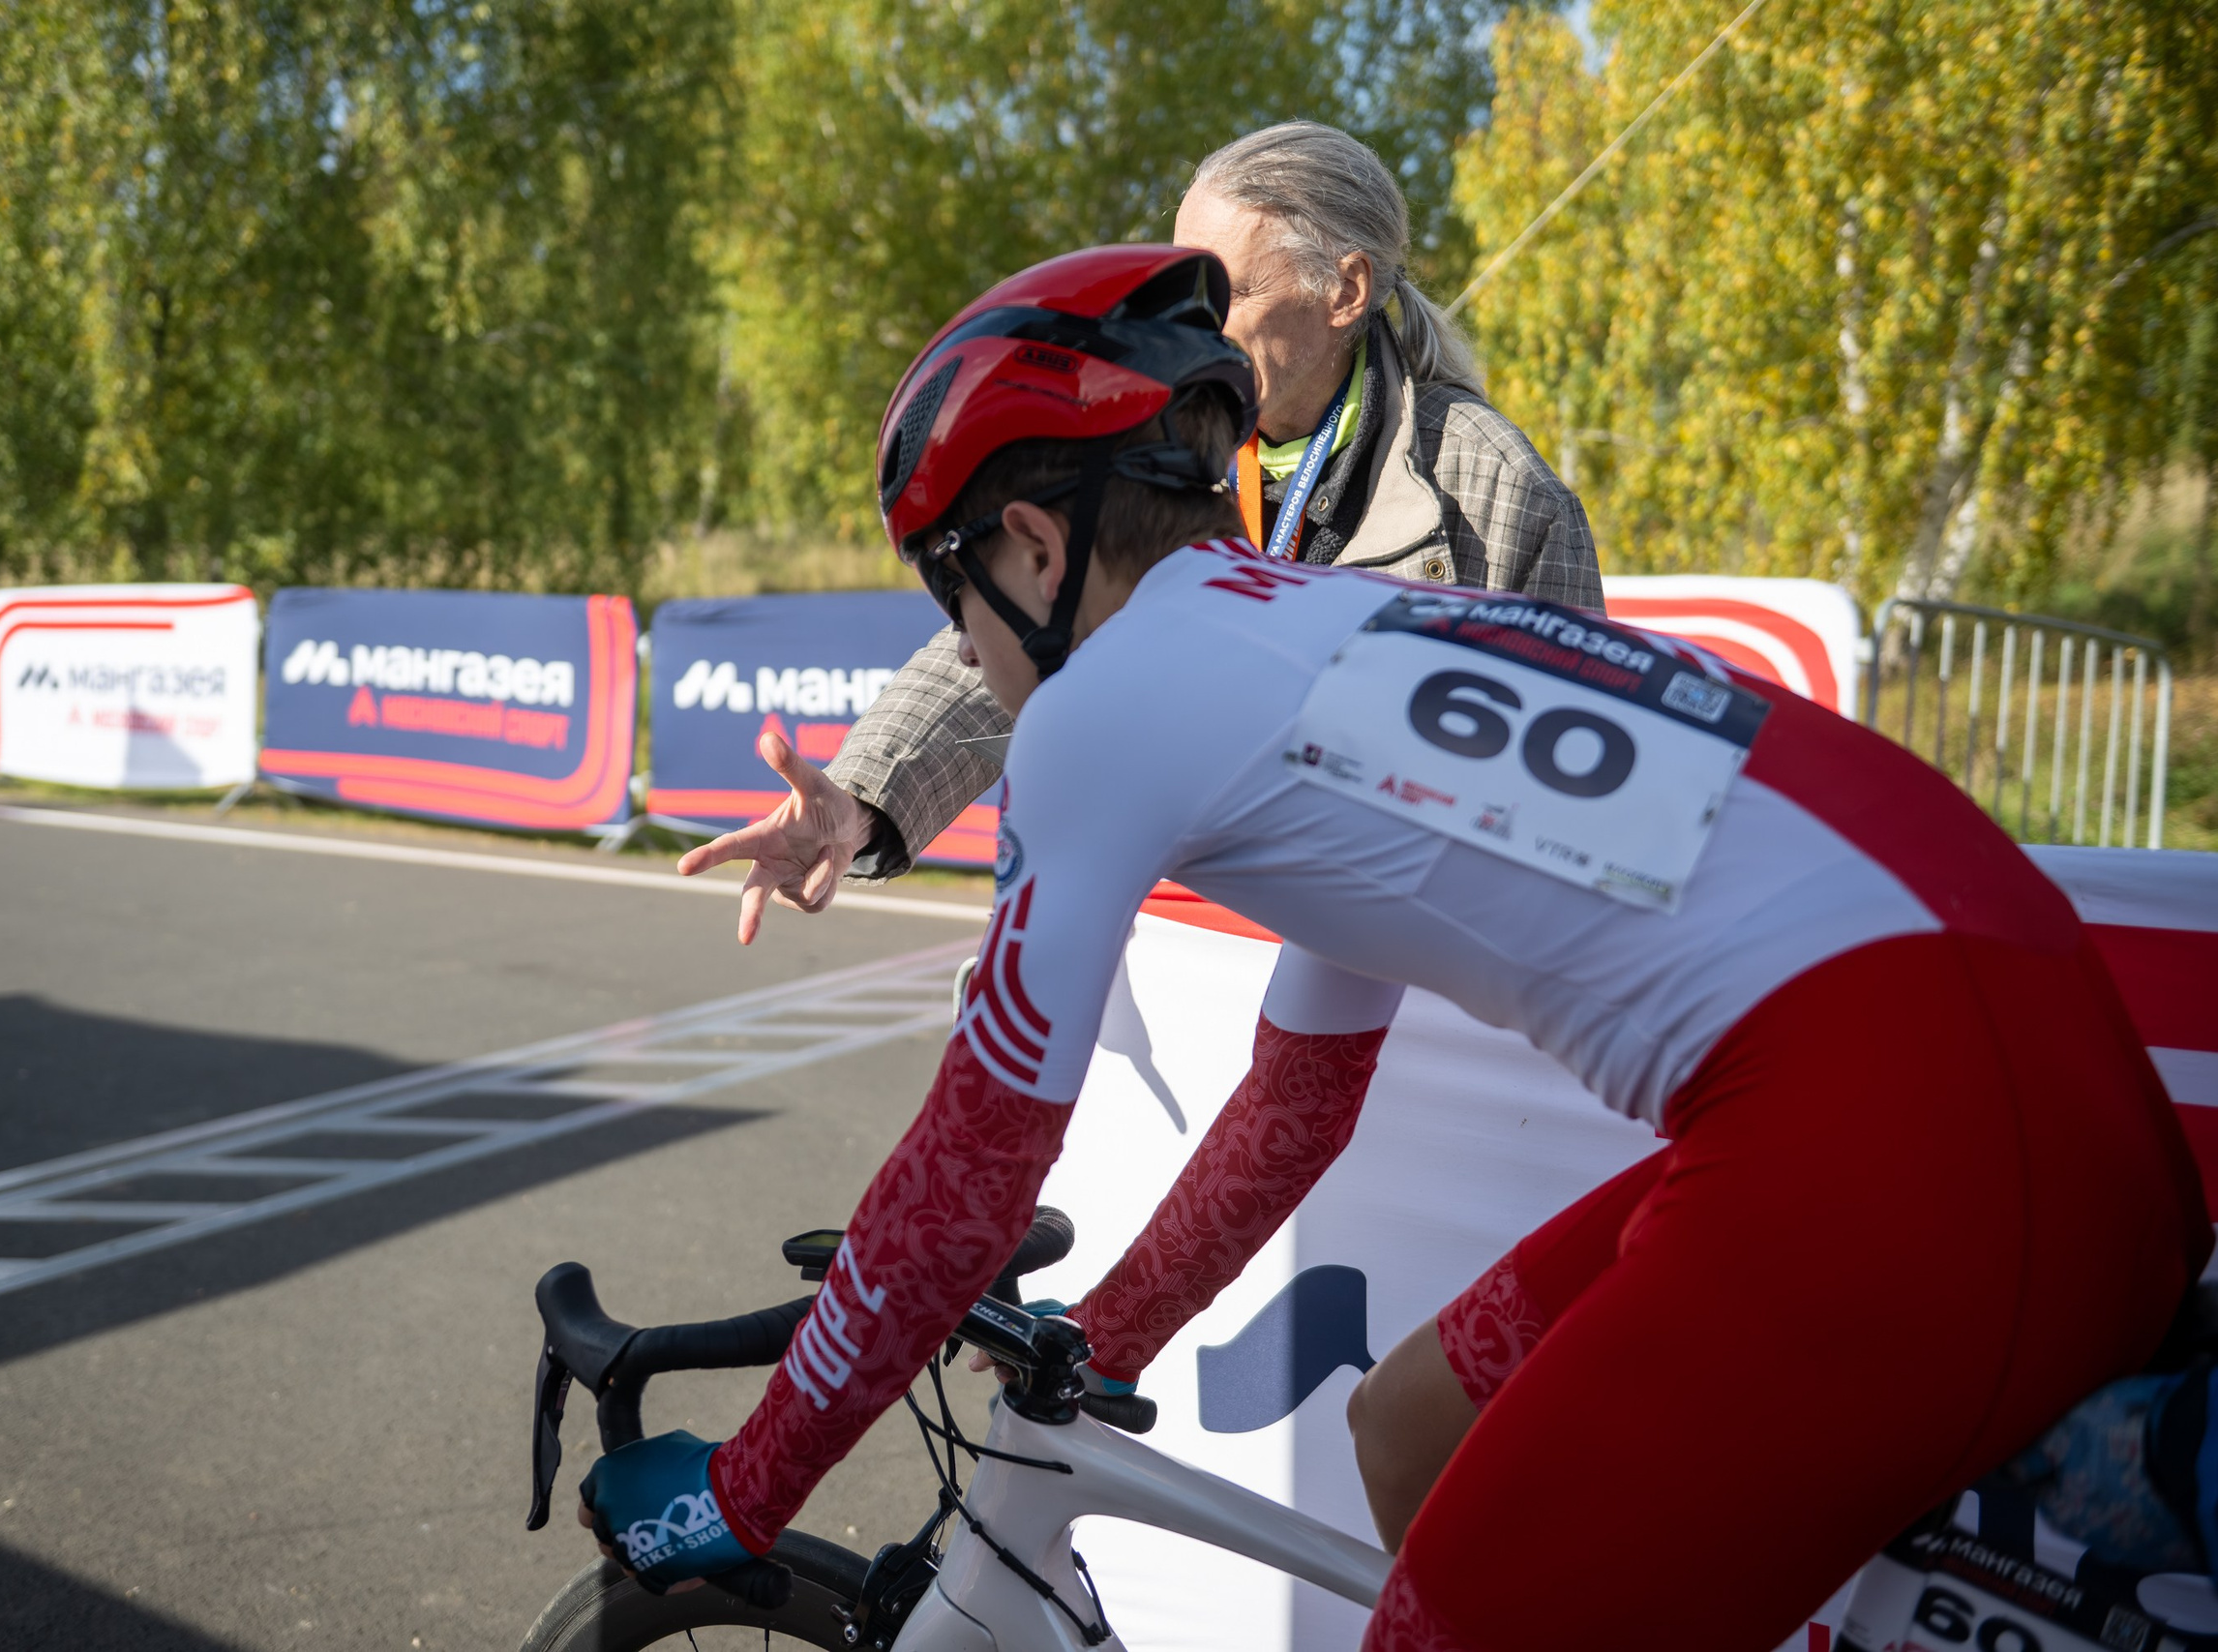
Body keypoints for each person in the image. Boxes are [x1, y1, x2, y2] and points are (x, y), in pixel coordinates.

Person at [579, 245, 2208, 1650]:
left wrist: (742, 1486)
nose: (971, 656)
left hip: (1898, 1146)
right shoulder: (1333, 649)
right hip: (2038, 1088)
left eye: (956, 601)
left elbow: (963, 1184)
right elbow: (1298, 1111)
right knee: (1412, 1420)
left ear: (1028, 545)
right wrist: (1102, 1345)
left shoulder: (1106, 713)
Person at [678, 120, 1603, 944]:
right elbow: (1021, 625)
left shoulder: (1493, 488)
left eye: (1223, 296)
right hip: (1179, 948)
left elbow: (1584, 796)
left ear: (1346, 290)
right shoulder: (1148, 435)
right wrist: (863, 803)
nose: (1192, 336)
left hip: (1386, 965)